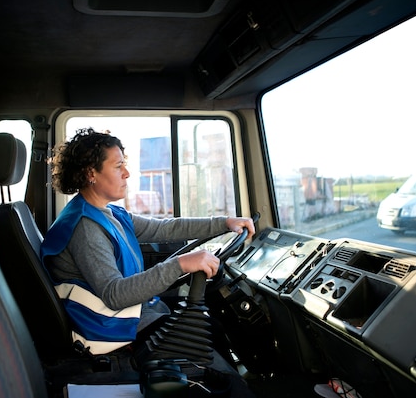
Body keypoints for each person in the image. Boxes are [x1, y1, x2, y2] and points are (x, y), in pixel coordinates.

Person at [40, 127, 255, 357]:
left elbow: (166, 227)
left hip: (128, 315)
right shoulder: (84, 227)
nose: (127, 173)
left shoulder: (108, 212)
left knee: (210, 324)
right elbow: (115, 294)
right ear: (91, 173)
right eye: (118, 166)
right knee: (211, 334)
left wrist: (225, 223)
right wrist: (181, 264)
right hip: (107, 329)